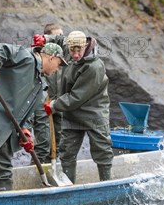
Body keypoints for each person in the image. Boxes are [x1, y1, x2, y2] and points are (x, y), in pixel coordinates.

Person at [0, 42, 67, 192]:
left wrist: (25, 131)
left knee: (2, 169)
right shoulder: (25, 57)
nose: (57, 70)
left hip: (7, 129)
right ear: (52, 57)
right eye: (58, 65)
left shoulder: (40, 85)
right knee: (2, 171)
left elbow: (28, 112)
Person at [34, 31, 113, 183]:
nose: (75, 55)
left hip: (94, 113)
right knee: (67, 152)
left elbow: (78, 96)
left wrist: (54, 105)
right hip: (71, 113)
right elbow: (59, 39)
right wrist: (46, 39)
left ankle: (106, 182)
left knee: (102, 150)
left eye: (79, 51)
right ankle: (69, 185)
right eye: (72, 51)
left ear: (86, 47)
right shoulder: (68, 46)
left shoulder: (94, 67)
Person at [33, 23, 64, 164]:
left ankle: (52, 168)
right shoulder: (41, 55)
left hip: (59, 103)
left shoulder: (63, 54)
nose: (61, 38)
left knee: (57, 141)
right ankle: (35, 171)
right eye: (58, 36)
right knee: (43, 143)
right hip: (43, 103)